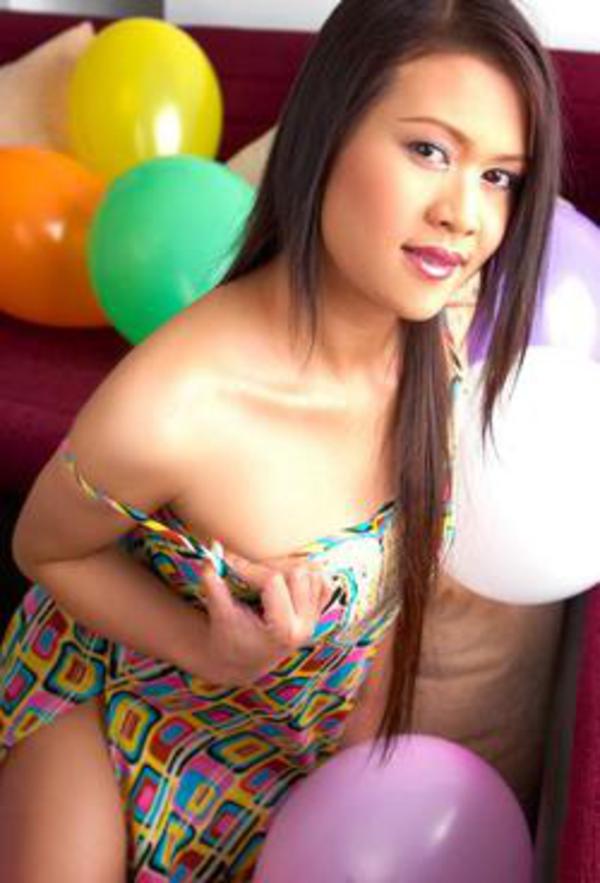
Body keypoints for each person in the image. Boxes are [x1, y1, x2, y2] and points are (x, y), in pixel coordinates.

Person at [0, 0, 561, 879]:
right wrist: (203, 646)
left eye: (499, 175)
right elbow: (44, 547)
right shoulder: (176, 400)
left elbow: (392, 604)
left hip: (285, 747)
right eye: (428, 150)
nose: (464, 213)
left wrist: (361, 764)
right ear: (328, 131)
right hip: (113, 714)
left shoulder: (437, 351)